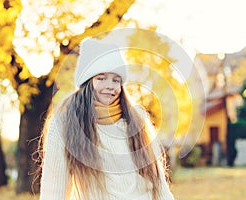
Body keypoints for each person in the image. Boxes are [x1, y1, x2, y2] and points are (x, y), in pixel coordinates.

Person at [38, 37, 175, 200]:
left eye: (116, 80)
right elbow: (53, 192)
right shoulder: (64, 124)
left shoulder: (137, 119)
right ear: (87, 82)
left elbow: (158, 184)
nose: (110, 85)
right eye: (101, 78)